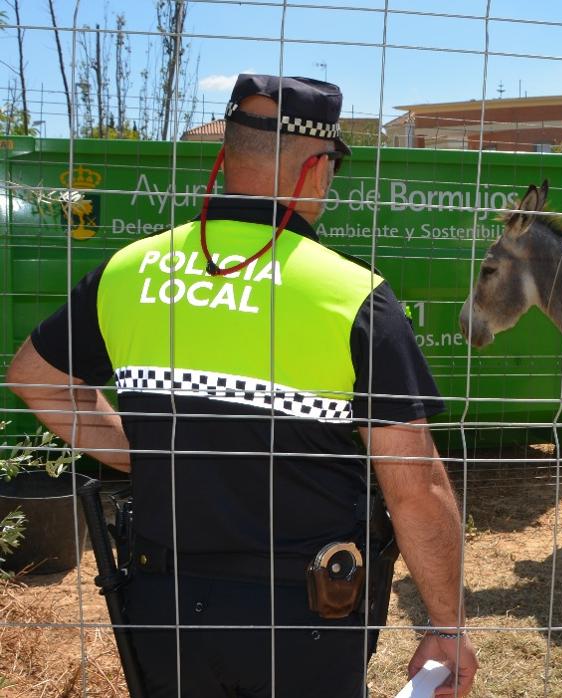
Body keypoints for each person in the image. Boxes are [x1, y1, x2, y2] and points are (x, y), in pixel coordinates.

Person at [5, 74, 478, 697]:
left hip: (163, 606)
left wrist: (138, 450)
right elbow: (416, 489)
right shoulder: (354, 296)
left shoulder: (128, 271)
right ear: (316, 169)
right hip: (307, 617)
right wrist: (447, 627)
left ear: (227, 159)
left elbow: (32, 379)